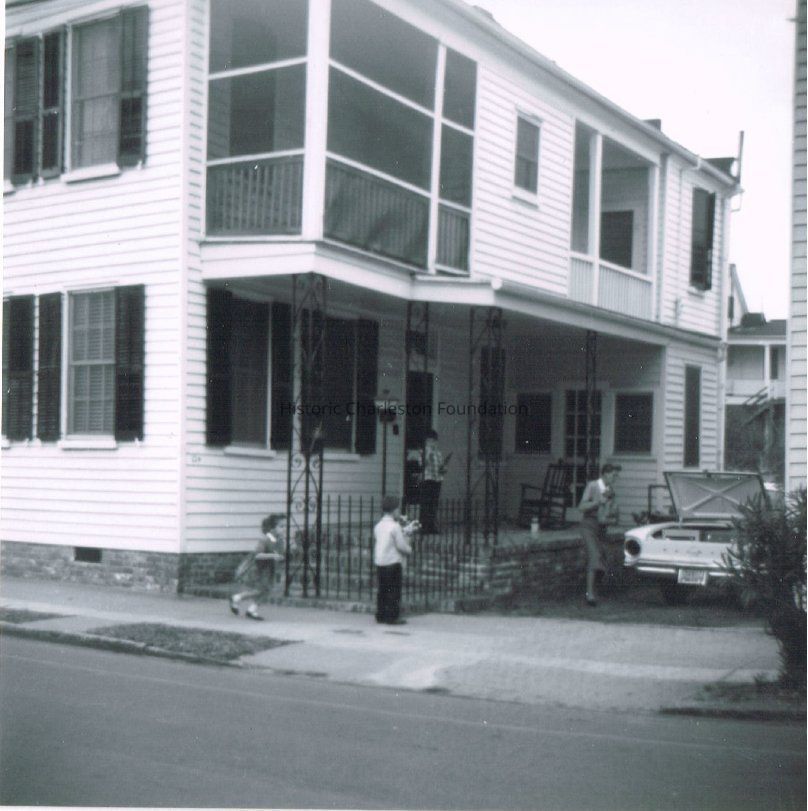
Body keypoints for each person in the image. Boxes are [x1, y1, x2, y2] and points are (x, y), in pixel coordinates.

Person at [229, 513, 288, 621]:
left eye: (285, 526)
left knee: (267, 590)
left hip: (270, 569)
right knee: (259, 590)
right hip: (259, 569)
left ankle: (250, 608)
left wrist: (280, 557)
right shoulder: (265, 539)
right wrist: (273, 556)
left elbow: (280, 553)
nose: (284, 529)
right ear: (272, 528)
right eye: (281, 526)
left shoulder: (279, 540)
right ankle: (237, 598)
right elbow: (258, 555)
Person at [577, 463, 621, 606]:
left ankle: (595, 589)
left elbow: (610, 516)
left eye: (617, 476)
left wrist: (613, 515)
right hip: (588, 526)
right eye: (613, 475)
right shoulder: (593, 486)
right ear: (605, 474)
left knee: (604, 557)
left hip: (601, 529)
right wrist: (597, 502)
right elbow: (581, 507)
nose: (615, 478)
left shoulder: (611, 491)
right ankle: (589, 595)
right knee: (594, 556)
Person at [373, 494, 416, 625]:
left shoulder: (378, 526)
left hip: (380, 561)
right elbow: (401, 545)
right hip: (393, 562)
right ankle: (392, 616)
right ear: (394, 510)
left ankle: (380, 614)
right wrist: (409, 548)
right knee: (394, 591)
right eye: (397, 509)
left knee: (382, 590)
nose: (398, 512)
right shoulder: (394, 526)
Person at [420, 430, 448, 534]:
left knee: (434, 503)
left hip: (437, 479)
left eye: (434, 441)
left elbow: (442, 467)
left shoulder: (438, 453)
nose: (432, 443)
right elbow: (422, 464)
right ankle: (423, 526)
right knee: (426, 503)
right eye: (430, 441)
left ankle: (431, 526)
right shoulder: (423, 452)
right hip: (427, 479)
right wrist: (429, 453)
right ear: (426, 442)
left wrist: (444, 468)